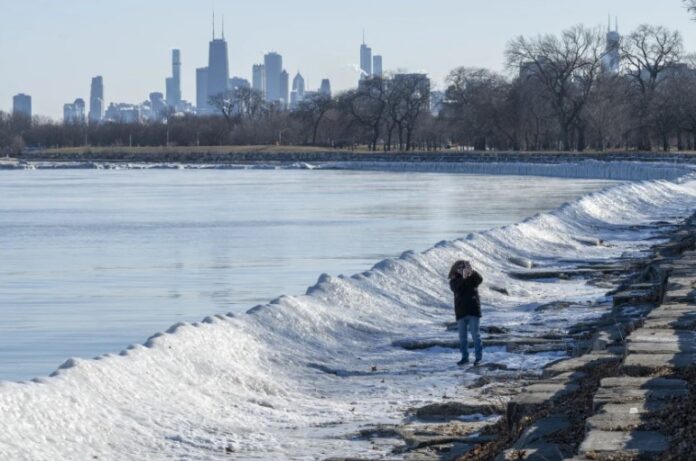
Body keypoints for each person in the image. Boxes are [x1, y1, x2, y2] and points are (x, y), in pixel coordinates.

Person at [448, 260, 483, 366]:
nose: (461, 270)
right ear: (455, 269)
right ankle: (464, 358)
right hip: (461, 313)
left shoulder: (473, 278)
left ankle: (478, 358)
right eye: (459, 268)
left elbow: (480, 280)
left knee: (475, 335)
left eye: (463, 267)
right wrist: (463, 278)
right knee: (462, 337)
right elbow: (457, 289)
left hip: (473, 311)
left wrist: (472, 272)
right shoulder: (454, 280)